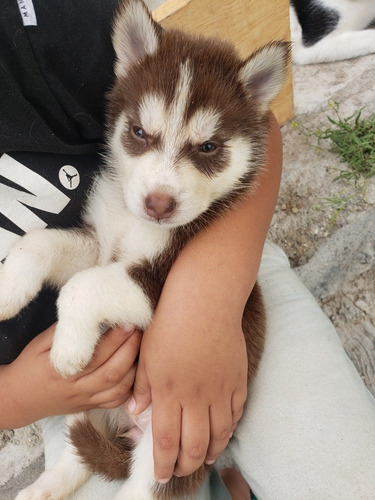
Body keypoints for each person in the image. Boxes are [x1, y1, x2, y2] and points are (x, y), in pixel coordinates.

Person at [2, 2, 375, 500]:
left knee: (346, 476)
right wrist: (15, 396)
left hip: (223, 293)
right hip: (84, 377)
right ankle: (89, 468)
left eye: (204, 151)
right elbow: (95, 252)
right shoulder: (121, 195)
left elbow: (258, 131)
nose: (161, 189)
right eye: (141, 135)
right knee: (113, 448)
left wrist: (205, 310)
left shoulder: (38, 29)